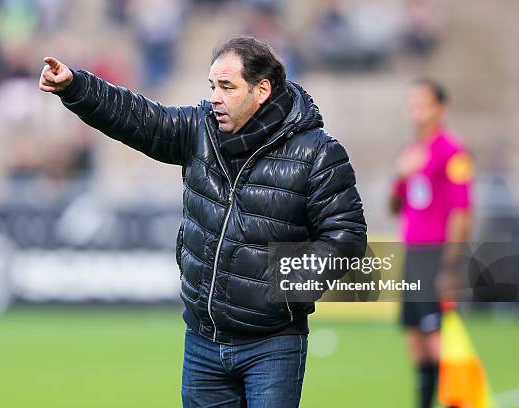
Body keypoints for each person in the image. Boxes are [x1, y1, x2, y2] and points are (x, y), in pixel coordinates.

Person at [40, 36, 366, 407]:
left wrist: (279, 288)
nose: (215, 96)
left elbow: (346, 239)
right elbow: (138, 118)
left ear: (261, 90)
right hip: (203, 341)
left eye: (227, 87)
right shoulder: (199, 129)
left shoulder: (317, 152)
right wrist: (77, 87)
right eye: (212, 86)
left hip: (272, 343)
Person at [390, 79, 473, 408]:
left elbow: (462, 213)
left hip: (436, 255)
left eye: (423, 102)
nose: (416, 110)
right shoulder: (410, 153)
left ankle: (456, 401)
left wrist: (450, 266)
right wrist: (400, 176)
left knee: (439, 338)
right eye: (412, 103)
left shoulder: (453, 152)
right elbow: (395, 207)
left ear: (442, 108)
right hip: (412, 254)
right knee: (415, 338)